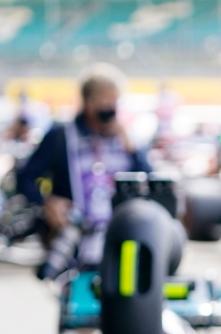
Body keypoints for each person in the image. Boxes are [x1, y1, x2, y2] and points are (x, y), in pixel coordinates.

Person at [17, 63, 151, 270]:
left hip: (120, 241)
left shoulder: (127, 139)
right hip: (75, 244)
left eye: (113, 101)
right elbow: (25, 178)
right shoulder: (61, 136)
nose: (110, 108)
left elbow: (151, 178)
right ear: (88, 103)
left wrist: (133, 150)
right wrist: (47, 202)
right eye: (104, 100)